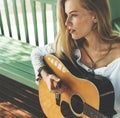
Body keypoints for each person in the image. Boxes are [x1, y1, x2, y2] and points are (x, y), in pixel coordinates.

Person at [31, 0, 120, 117]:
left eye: (74, 15)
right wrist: (46, 76)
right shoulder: (71, 46)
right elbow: (37, 53)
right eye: (67, 15)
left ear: (95, 16)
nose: (67, 22)